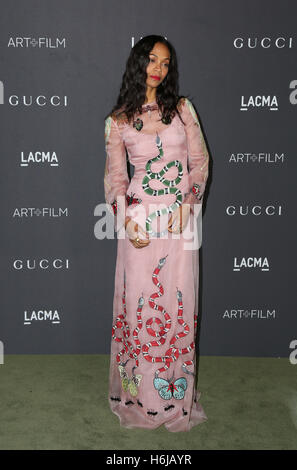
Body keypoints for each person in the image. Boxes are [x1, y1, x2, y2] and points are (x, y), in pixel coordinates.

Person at [103, 35, 209, 432]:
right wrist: (126, 220)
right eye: (151, 60)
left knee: (177, 300)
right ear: (138, 62)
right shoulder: (118, 121)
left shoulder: (183, 110)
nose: (158, 68)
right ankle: (140, 397)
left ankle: (174, 398)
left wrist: (189, 203)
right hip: (140, 225)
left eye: (165, 63)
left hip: (179, 223)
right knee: (140, 307)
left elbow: (199, 163)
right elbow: (115, 180)